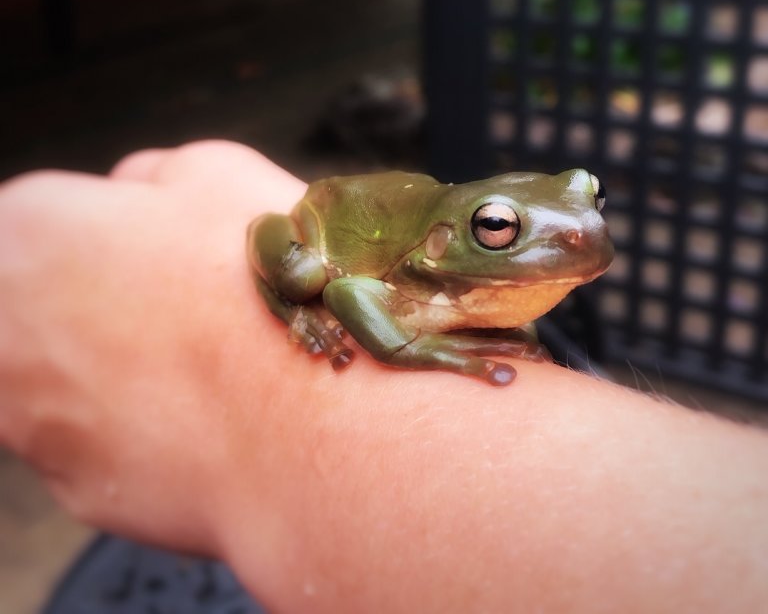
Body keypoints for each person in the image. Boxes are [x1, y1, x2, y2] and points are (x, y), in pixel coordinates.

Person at [0, 139, 766, 613]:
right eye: (500, 230)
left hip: (414, 220)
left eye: (592, 201)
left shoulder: (531, 253)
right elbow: (349, 289)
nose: (583, 231)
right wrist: (406, 349)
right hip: (335, 234)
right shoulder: (408, 271)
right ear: (452, 241)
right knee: (305, 271)